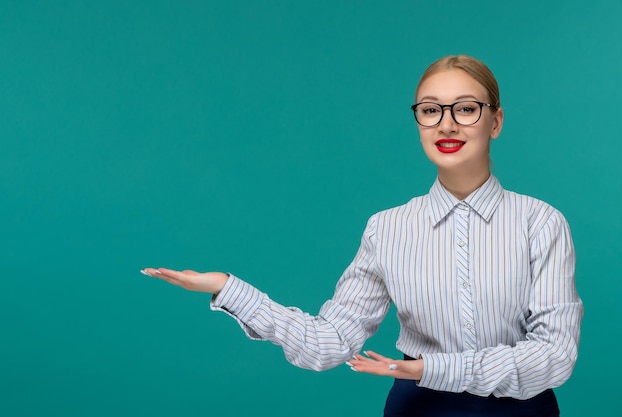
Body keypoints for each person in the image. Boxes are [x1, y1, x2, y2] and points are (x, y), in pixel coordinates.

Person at [141, 55, 583, 417]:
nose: (446, 125)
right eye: (430, 110)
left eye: (465, 108)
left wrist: (433, 368)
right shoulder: (387, 228)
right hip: (418, 409)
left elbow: (555, 355)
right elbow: (327, 343)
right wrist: (228, 288)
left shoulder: (540, 223)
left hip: (520, 411)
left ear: (496, 121)